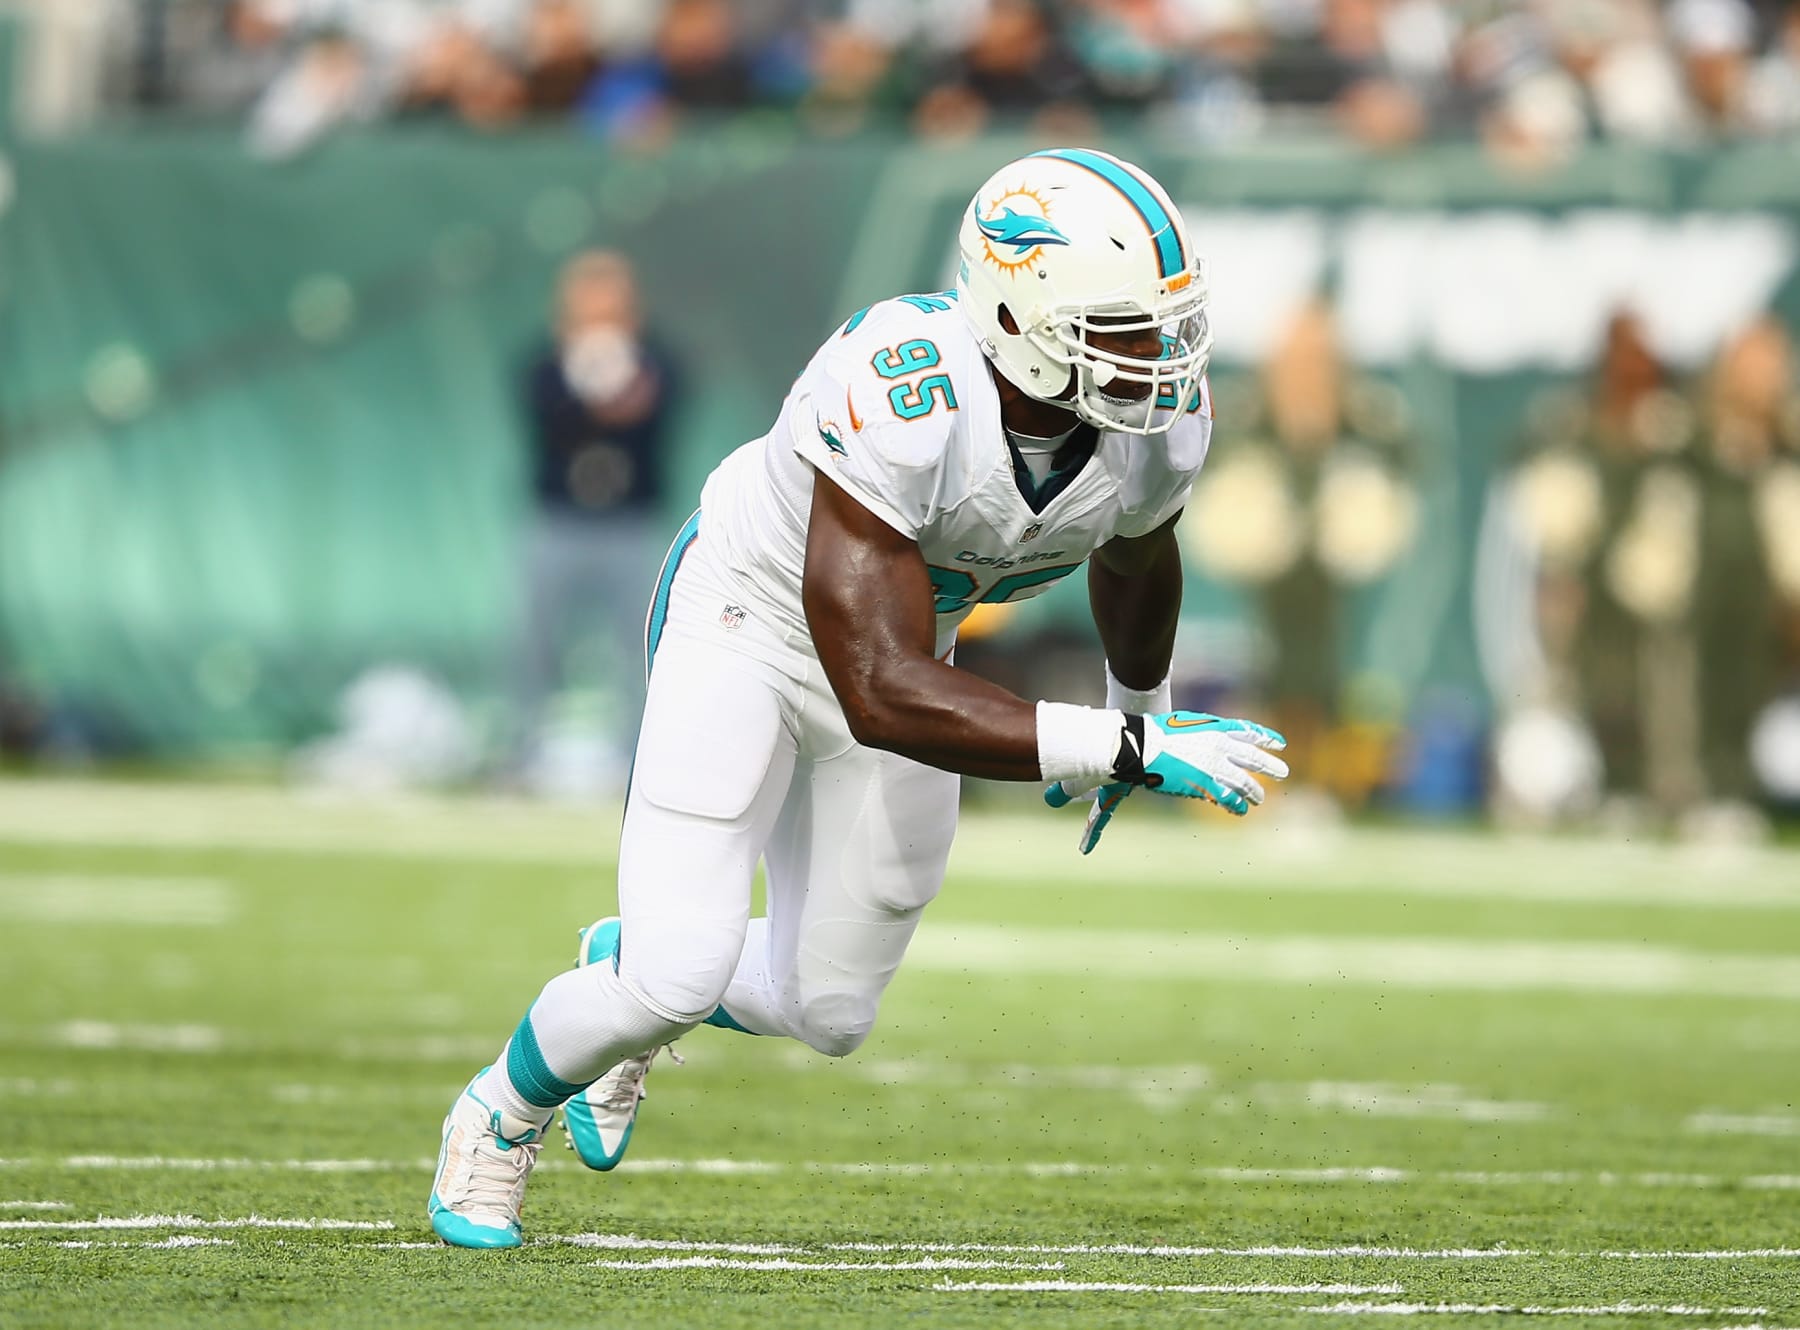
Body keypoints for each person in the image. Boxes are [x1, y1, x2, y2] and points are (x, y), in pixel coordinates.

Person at [428, 148, 1291, 1248]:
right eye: (1123, 331)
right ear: (1022, 318)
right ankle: (500, 1114)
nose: (1162, 359)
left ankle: (629, 967)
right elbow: (876, 690)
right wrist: (1119, 744)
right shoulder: (901, 382)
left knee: (829, 1010)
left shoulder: (1157, 431)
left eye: (1168, 324)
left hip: (906, 653)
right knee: (676, 972)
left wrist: (1146, 701)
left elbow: (1133, 552)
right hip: (750, 625)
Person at [512, 250, 677, 788]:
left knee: (641, 647)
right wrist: (584, 381)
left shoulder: (657, 362)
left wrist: (624, 385)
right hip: (560, 521)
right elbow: (543, 412)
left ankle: (642, 762)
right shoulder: (543, 364)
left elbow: (661, 409)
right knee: (535, 641)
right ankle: (522, 753)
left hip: (630, 524)